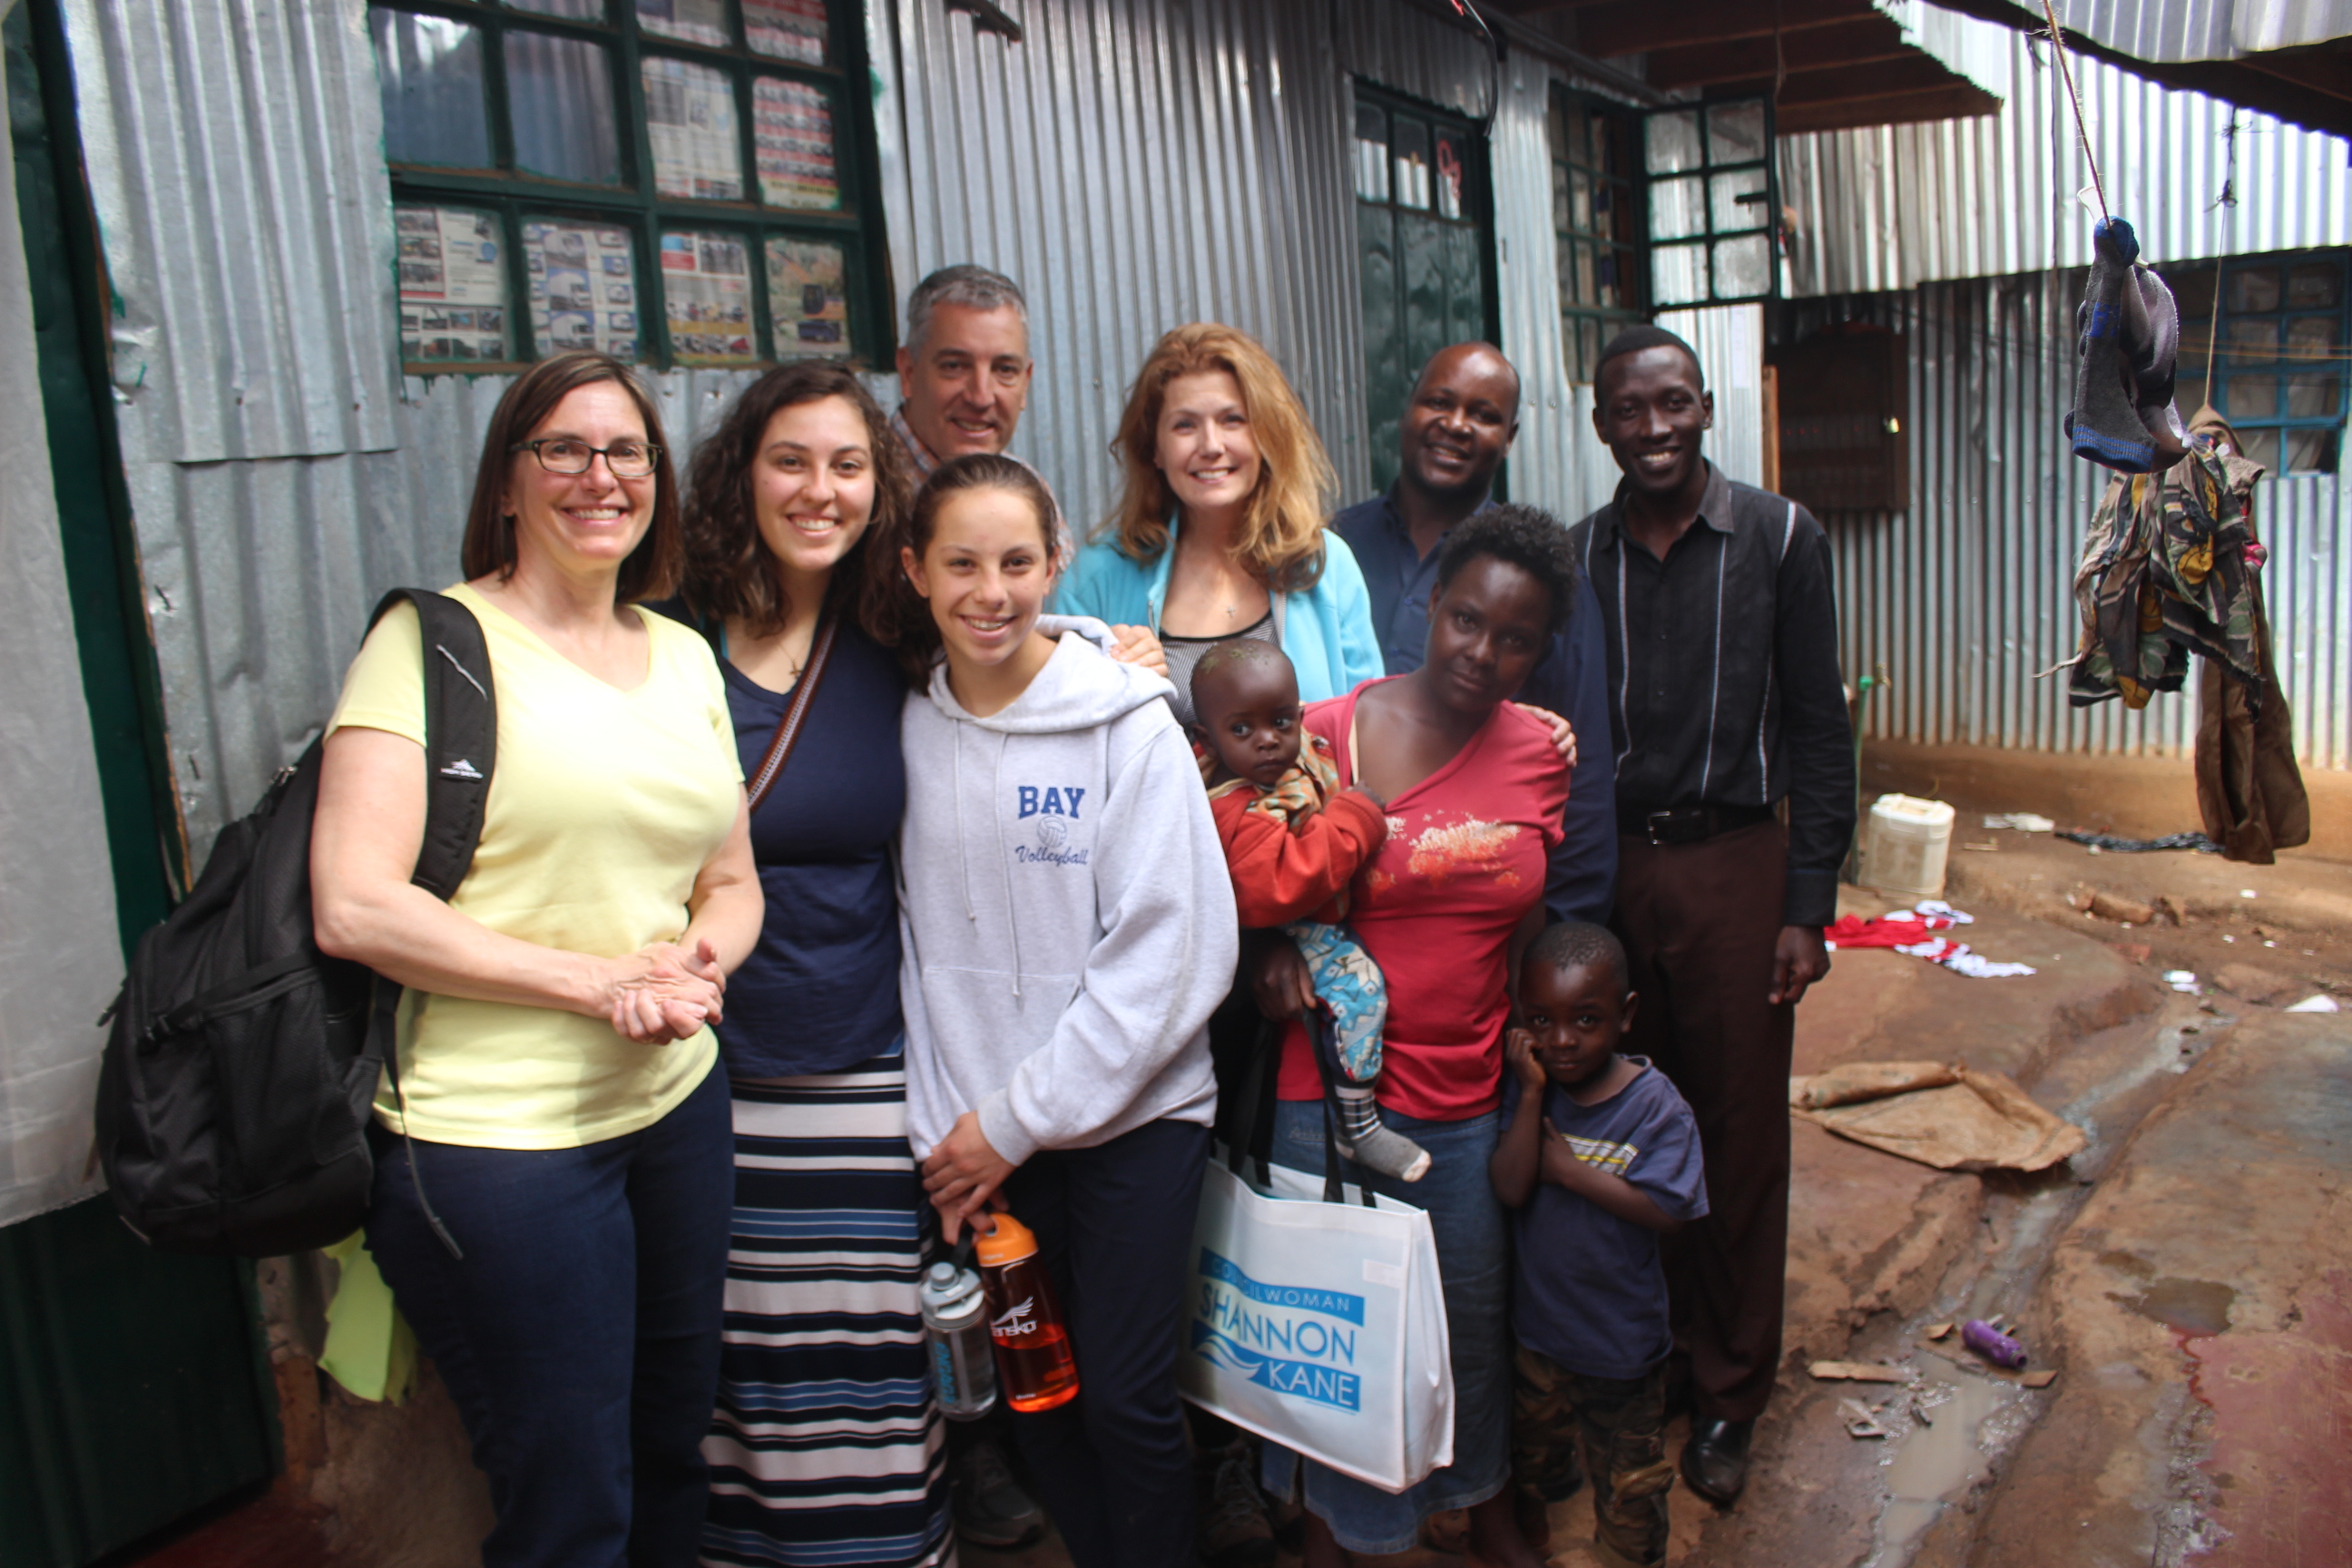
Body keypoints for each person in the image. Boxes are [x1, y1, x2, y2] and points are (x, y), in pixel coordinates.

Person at [311, 350, 764, 1568]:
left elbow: (730, 882)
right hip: (494, 1142)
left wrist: (695, 966)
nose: (598, 476)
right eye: (562, 448)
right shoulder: (430, 644)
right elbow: (353, 904)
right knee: (571, 1506)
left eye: (626, 451)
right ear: (508, 482)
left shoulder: (681, 654)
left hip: (673, 1109)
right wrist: (598, 981)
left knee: (672, 1452)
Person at [870, 453, 1240, 1568]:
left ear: (1056, 562)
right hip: (984, 1143)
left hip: (1133, 1119)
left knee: (1126, 1398)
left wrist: (1014, 1121)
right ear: (914, 571)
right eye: (961, 565)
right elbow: (916, 951)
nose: (991, 593)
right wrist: (950, 1138)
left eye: (1017, 562)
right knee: (1040, 1398)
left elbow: (1171, 951)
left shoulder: (1126, 723)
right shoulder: (907, 731)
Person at [1249, 505, 1577, 1568]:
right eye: (1467, 620)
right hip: (1328, 1091)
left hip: (1469, 1093)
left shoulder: (1541, 753)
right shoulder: (1325, 734)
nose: (1483, 652)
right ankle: (1333, 1534)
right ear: (1431, 607)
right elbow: (1247, 871)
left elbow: (1528, 916)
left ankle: (1480, 1505)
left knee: (1466, 1324)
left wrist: (1529, 1056)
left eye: (1515, 638)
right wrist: (1269, 957)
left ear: (1541, 650)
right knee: (1337, 1337)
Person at [667, 363, 950, 1567]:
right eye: (790, 461)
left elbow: (1020, 644)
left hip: (860, 1073)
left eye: (847, 465)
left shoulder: (900, 636)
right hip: (693, 1073)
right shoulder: (666, 638)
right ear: (743, 475)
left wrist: (1118, 650)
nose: (819, 490)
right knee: (728, 1369)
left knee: (866, 1365)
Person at [1567, 324, 1856, 1507]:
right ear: (1602, 426)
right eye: (1630, 410)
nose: (1655, 428)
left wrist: (1806, 905)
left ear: (1704, 409)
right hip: (1615, 870)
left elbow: (1821, 728)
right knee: (1634, 1122)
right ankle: (1662, 1358)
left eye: (1674, 402)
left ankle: (1732, 1390)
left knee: (1736, 1138)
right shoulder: (1580, 556)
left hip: (1738, 865)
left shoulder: (1781, 537)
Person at [1330, 341, 1618, 926]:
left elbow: (1581, 769)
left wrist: (1567, 930)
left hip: (1475, 904)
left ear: (1509, 439)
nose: (1456, 425)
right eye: (1439, 402)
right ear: (1407, 409)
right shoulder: (1331, 548)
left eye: (1484, 415)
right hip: (1331, 886)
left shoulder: (1536, 575)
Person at [1492, 923, 1708, 1568]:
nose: (1562, 1040)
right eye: (1542, 1021)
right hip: (1539, 1337)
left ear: (1626, 1015)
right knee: (1531, 1465)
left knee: (1629, 1494)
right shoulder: (1531, 1088)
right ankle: (1534, 1529)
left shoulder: (1655, 1108)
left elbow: (1670, 1210)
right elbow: (1509, 1188)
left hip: (1621, 1348)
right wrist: (1531, 1094)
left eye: (1586, 1020)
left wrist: (1573, 1174)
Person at [1056, 322, 1386, 713]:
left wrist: (1307, 731)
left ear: (1266, 435)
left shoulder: (1325, 565)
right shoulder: (1096, 577)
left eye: (1232, 420)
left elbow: (1370, 727)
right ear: (1154, 448)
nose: (1211, 445)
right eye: (1185, 425)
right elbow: (1054, 720)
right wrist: (1110, 686)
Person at [1189, 641, 1423, 1181]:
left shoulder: (1299, 758)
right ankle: (1358, 1126)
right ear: (1207, 739)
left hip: (1303, 922)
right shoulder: (1230, 804)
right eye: (1242, 729)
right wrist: (1357, 818)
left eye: (1280, 722)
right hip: (1285, 927)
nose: (1268, 739)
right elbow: (1284, 884)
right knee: (1361, 990)